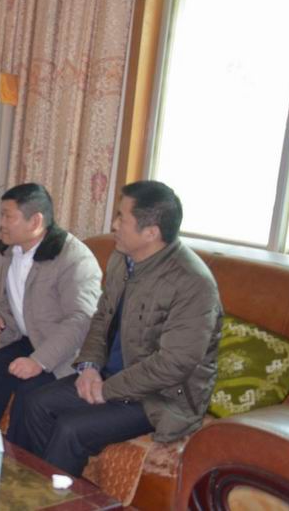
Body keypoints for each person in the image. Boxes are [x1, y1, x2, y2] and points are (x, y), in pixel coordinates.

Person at [12, 180, 223, 476]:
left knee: (71, 428)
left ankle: (56, 496)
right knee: (34, 402)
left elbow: (173, 364)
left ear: (151, 233)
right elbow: (102, 317)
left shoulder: (193, 283)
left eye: (122, 218)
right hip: (110, 378)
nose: (114, 225)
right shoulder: (123, 259)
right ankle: (26, 485)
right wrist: (89, 367)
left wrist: (107, 389)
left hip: (160, 397)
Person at [0, 183, 102, 443]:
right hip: (27, 339)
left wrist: (39, 361)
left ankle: (17, 463)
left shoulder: (74, 260)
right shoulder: (12, 250)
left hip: (64, 353)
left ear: (35, 221)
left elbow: (81, 321)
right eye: (1, 215)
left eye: (8, 216)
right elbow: (9, 299)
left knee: (30, 394)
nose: (1, 223)